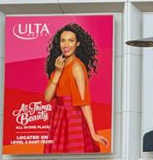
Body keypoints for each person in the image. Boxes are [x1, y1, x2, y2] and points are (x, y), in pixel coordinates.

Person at [43, 24, 108, 153]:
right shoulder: (59, 65)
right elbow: (47, 97)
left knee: (75, 153)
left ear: (78, 43)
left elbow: (84, 102)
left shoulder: (77, 67)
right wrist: (57, 72)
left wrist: (93, 133)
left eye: (71, 40)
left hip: (74, 119)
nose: (66, 45)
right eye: (63, 40)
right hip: (58, 117)